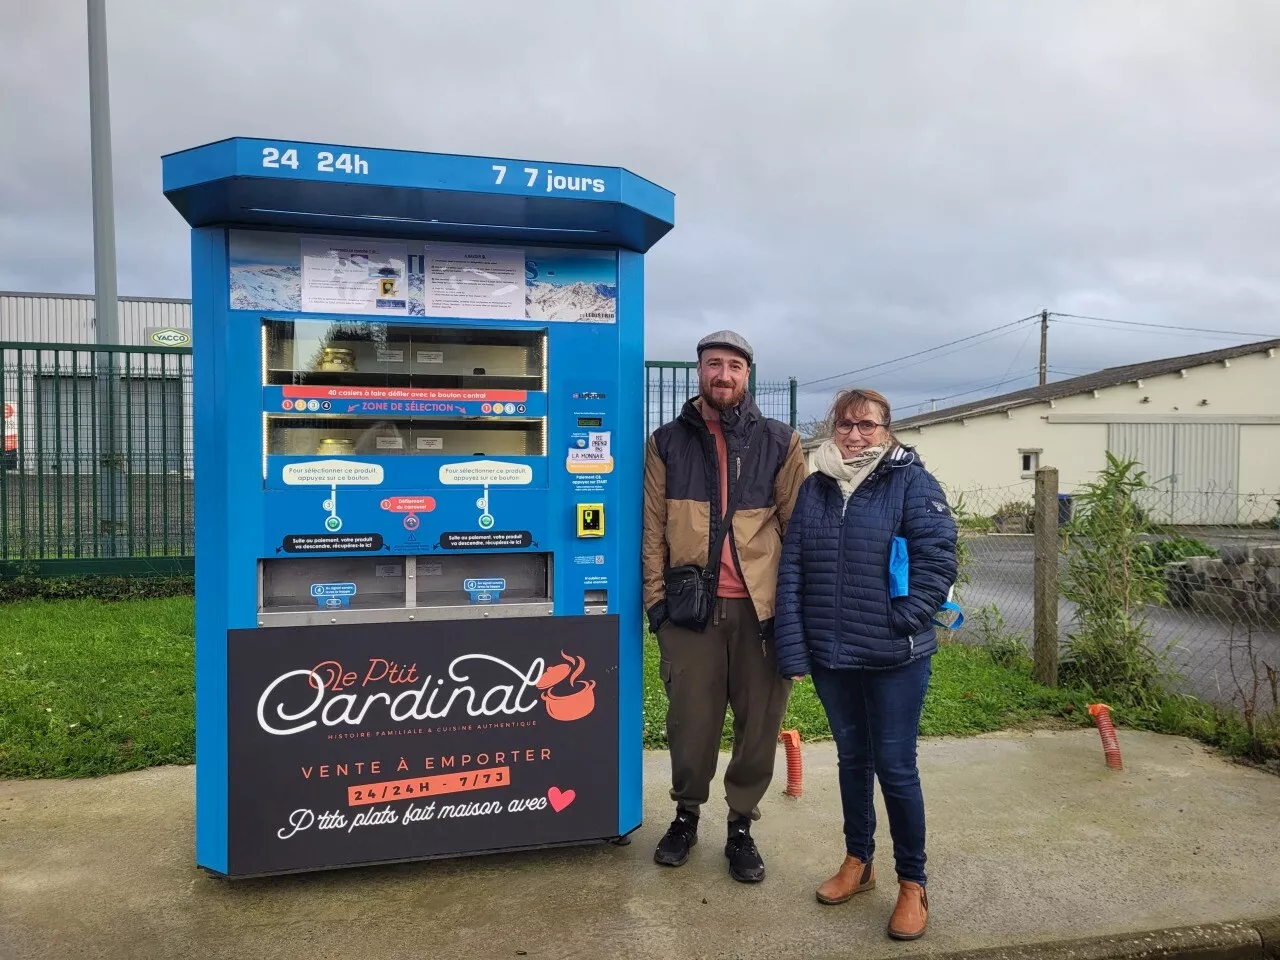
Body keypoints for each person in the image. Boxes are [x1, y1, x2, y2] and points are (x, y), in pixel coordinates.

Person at [774, 388, 957, 940]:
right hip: (833, 655)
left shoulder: (912, 482)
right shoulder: (816, 487)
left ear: (887, 429)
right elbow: (793, 570)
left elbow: (938, 556)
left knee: (896, 769)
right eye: (845, 425)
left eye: (867, 425)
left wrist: (905, 617)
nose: (855, 435)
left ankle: (912, 883)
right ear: (834, 428)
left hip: (893, 656)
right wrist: (793, 643)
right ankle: (859, 861)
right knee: (853, 762)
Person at [642, 330, 808, 883]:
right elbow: (651, 532)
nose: (723, 374)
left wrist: (795, 612)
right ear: (699, 371)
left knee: (759, 724)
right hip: (690, 612)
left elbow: (798, 529)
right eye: (714, 364)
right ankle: (686, 816)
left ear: (747, 374)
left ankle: (741, 825)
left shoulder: (781, 441)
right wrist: (658, 608)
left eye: (734, 366)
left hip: (761, 612)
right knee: (691, 722)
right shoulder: (665, 442)